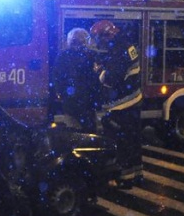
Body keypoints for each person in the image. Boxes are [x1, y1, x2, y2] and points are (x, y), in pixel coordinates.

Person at [91, 19, 143, 188]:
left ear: (106, 36)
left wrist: (100, 71)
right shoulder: (126, 45)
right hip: (133, 100)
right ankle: (137, 174)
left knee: (123, 144)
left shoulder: (118, 50)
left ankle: (125, 179)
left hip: (122, 105)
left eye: (98, 38)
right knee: (133, 140)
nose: (98, 42)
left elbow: (112, 78)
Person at [52, 27, 101, 133]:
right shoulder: (90, 55)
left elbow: (57, 78)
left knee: (73, 132)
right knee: (89, 133)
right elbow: (96, 79)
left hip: (72, 103)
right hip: (87, 103)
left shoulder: (63, 56)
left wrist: (63, 94)